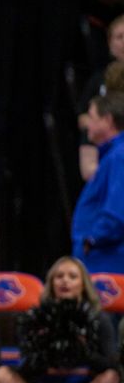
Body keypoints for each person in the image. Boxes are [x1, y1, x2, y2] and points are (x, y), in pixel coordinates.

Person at [0, 256, 120, 383]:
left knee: (111, 378)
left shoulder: (99, 319)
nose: (65, 281)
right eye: (59, 276)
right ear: (51, 284)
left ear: (83, 284)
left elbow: (111, 366)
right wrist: (42, 349)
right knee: (2, 375)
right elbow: (25, 371)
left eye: (72, 276)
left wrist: (84, 350)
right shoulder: (36, 318)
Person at [71, 92, 124, 274]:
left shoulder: (119, 156)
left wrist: (91, 239)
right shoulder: (112, 155)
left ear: (107, 120)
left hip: (108, 262)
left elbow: (117, 210)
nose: (87, 125)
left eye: (92, 117)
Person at [76, 14, 124, 181]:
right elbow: (82, 115)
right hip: (104, 137)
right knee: (91, 133)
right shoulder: (99, 79)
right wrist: (99, 125)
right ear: (109, 43)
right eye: (119, 37)